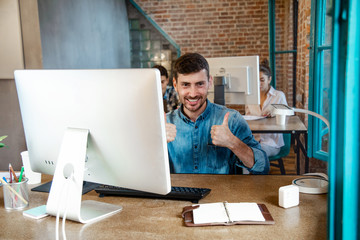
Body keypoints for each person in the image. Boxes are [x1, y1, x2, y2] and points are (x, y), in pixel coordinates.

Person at [165, 53, 269, 174]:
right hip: (180, 192)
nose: (193, 93)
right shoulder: (165, 124)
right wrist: (157, 144)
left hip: (222, 192)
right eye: (185, 85)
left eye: (200, 84)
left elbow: (263, 167)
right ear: (175, 85)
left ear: (210, 82)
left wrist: (232, 142)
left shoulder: (232, 119)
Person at [245, 59, 288, 157]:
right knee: (238, 152)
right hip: (253, 139)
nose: (258, 83)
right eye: (256, 80)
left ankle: (257, 172)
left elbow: (288, 119)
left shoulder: (279, 96)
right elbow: (248, 120)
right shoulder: (249, 97)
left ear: (269, 79)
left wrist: (275, 113)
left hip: (271, 142)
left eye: (262, 80)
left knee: (253, 154)